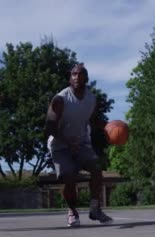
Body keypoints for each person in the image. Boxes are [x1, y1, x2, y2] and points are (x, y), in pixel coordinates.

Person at [44, 64, 113, 227]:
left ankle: (95, 208)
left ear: (86, 78)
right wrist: (68, 142)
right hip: (60, 144)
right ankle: (72, 211)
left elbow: (92, 119)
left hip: (81, 142)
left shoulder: (91, 98)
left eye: (80, 74)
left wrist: (108, 127)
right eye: (73, 74)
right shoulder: (60, 99)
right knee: (68, 176)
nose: (76, 77)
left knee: (97, 169)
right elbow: (49, 126)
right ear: (70, 78)